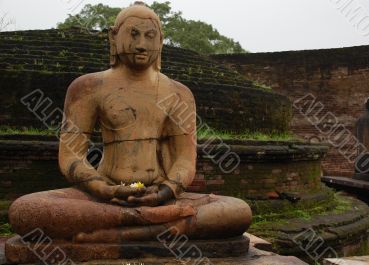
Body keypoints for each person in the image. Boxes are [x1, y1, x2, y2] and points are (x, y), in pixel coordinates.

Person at [8, 2, 251, 243]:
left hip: (161, 195)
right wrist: (103, 189)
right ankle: (160, 225)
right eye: (133, 34)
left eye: (149, 36)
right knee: (25, 210)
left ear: (160, 41)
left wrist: (165, 191)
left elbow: (185, 161)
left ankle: (129, 230)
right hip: (104, 196)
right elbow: (71, 157)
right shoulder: (88, 87)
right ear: (114, 38)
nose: (141, 44)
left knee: (237, 210)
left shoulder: (178, 93)